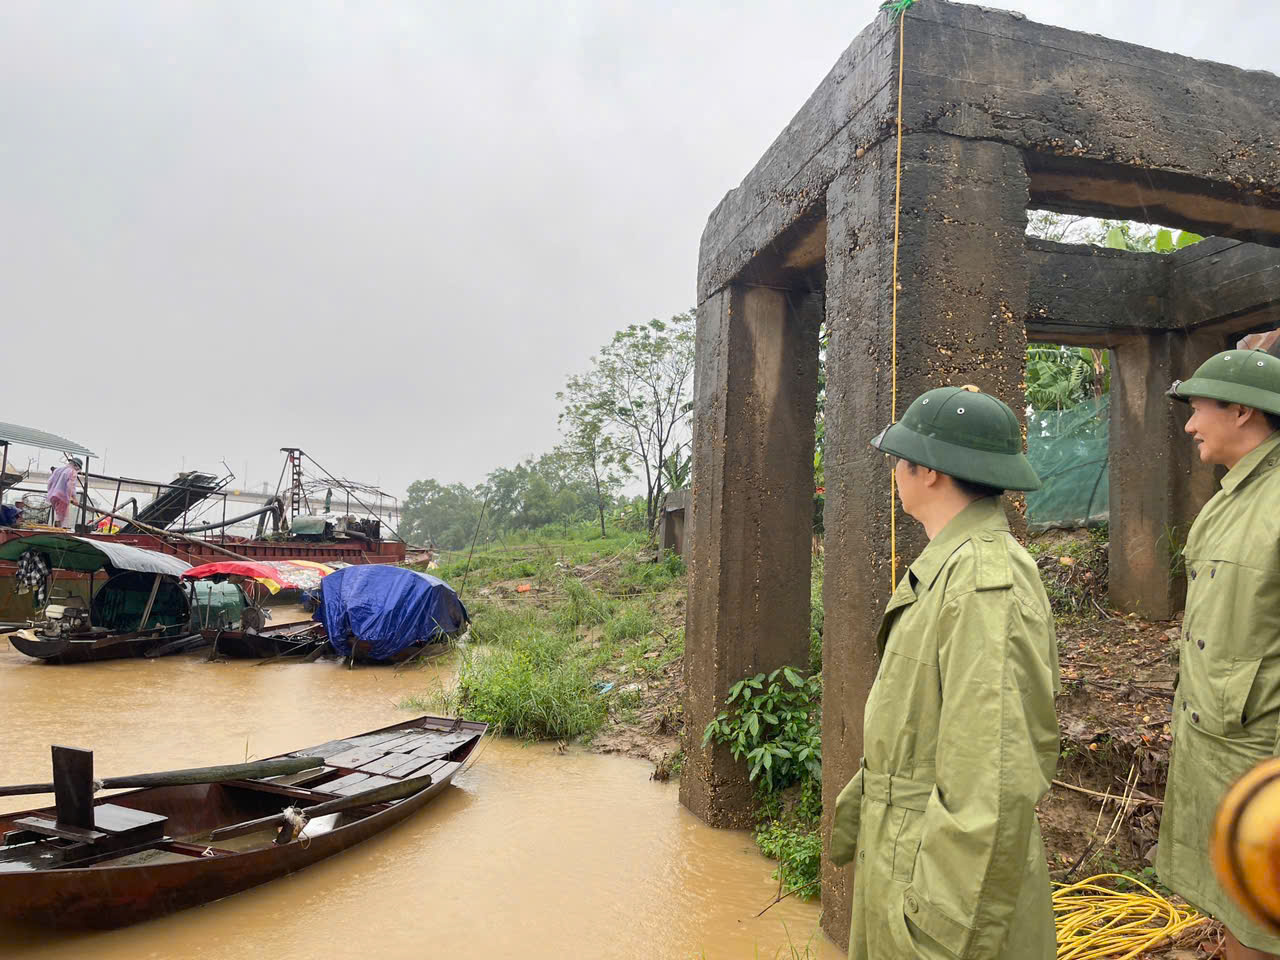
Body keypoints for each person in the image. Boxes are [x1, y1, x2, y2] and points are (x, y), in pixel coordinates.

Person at [830, 385, 1060, 959]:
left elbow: (993, 780)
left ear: (928, 471)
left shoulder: (985, 586)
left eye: (899, 458)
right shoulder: (951, 569)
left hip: (940, 890)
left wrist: (940, 927)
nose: (894, 472)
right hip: (906, 857)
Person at [1159, 349, 1280, 960]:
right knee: (1236, 896)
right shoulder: (1229, 499)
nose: (1188, 425)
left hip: (1261, 754)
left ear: (1241, 410)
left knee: (1262, 907)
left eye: (1198, 408)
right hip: (1219, 744)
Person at [46, 457, 80, 528]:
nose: (77, 471)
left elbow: (50, 482)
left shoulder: (58, 470)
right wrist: (73, 498)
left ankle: (56, 529)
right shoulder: (72, 472)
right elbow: (70, 486)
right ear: (76, 466)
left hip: (53, 495)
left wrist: (51, 492)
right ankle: (60, 531)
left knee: (58, 514)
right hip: (63, 496)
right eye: (78, 469)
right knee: (62, 516)